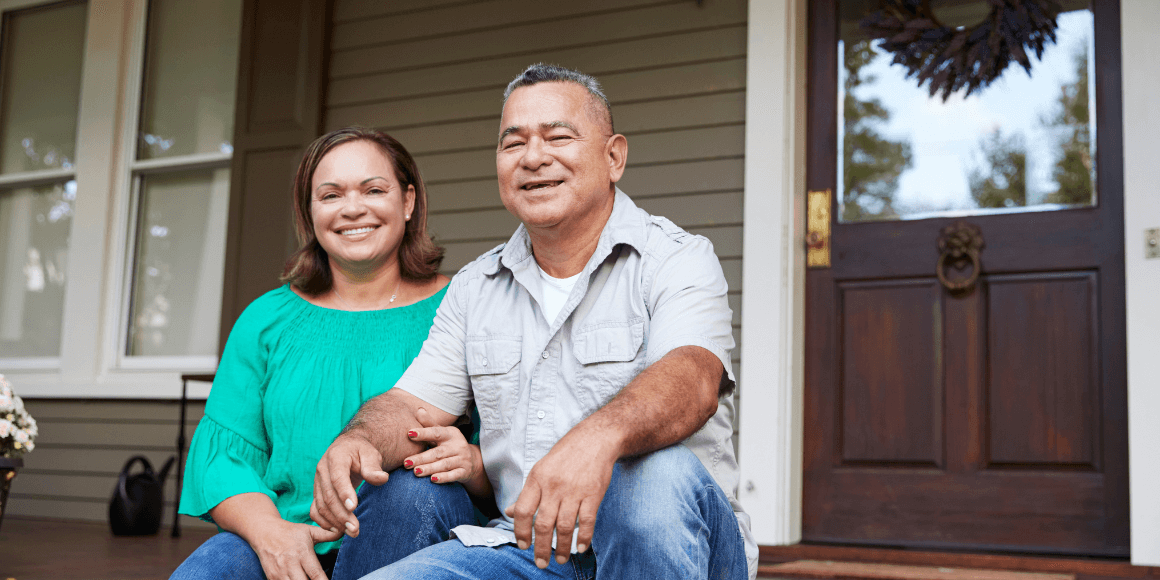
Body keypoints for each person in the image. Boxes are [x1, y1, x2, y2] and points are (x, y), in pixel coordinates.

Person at [314, 64, 757, 580]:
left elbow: (694, 377)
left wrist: (598, 437)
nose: (533, 157)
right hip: (528, 552)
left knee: (652, 474)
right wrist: (359, 439)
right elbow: (413, 407)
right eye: (513, 143)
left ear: (613, 156)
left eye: (558, 137)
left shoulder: (676, 258)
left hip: (676, 547)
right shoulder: (477, 286)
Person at [171, 127, 491, 580]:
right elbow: (226, 460)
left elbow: (509, 456)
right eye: (331, 195)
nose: (352, 208)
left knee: (413, 493)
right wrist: (270, 533)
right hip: (289, 535)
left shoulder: (464, 307)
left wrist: (473, 463)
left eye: (373, 189)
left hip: (420, 541)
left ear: (408, 201)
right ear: (310, 212)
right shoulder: (266, 320)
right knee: (212, 567)